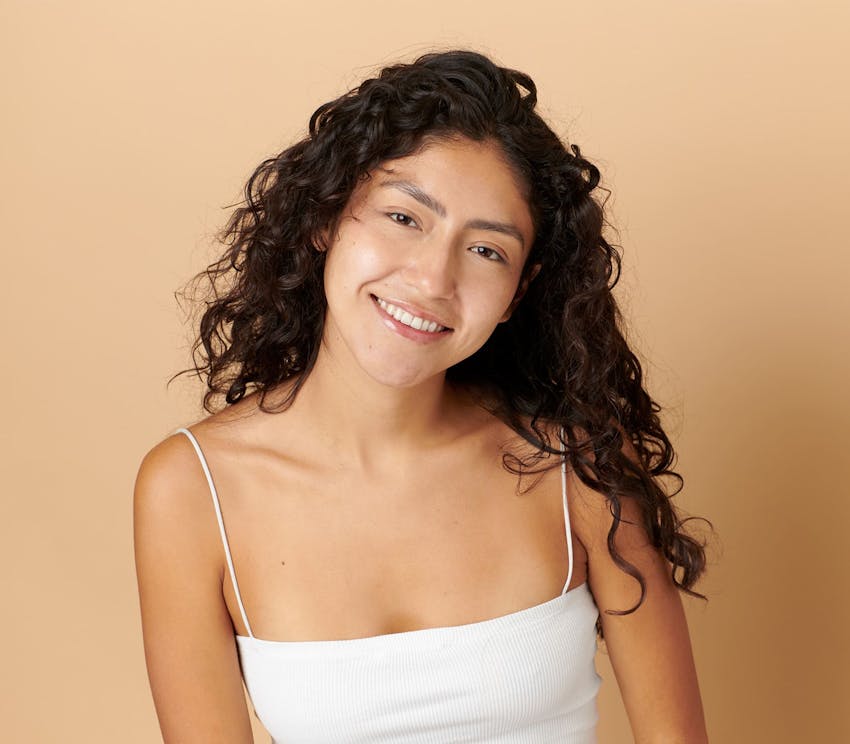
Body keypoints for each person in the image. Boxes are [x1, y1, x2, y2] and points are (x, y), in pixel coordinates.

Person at [133, 49, 710, 743]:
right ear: (326, 218)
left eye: (487, 250)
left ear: (515, 296)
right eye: (405, 218)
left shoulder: (578, 468)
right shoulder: (191, 491)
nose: (433, 280)